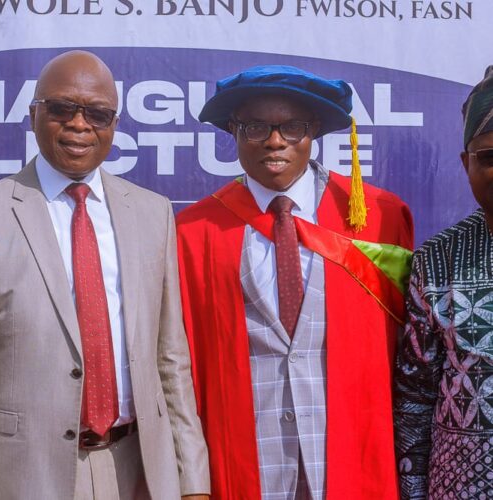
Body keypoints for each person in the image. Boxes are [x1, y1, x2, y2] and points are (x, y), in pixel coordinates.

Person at [176, 65, 414, 499]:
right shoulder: (194, 233)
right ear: (232, 130)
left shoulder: (378, 217)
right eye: (255, 127)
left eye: (292, 127)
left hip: (353, 455)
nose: (274, 140)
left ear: (314, 130)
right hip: (246, 461)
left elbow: (410, 353)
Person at [0, 50, 210, 500]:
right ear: (33, 115)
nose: (79, 124)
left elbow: (171, 358)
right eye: (61, 108)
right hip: (23, 475)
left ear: (114, 124)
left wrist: (191, 479)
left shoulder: (152, 213)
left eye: (97, 114)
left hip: (138, 468)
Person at [394, 66, 493, 499]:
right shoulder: (438, 259)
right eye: (489, 158)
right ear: (466, 163)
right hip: (459, 488)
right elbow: (414, 397)